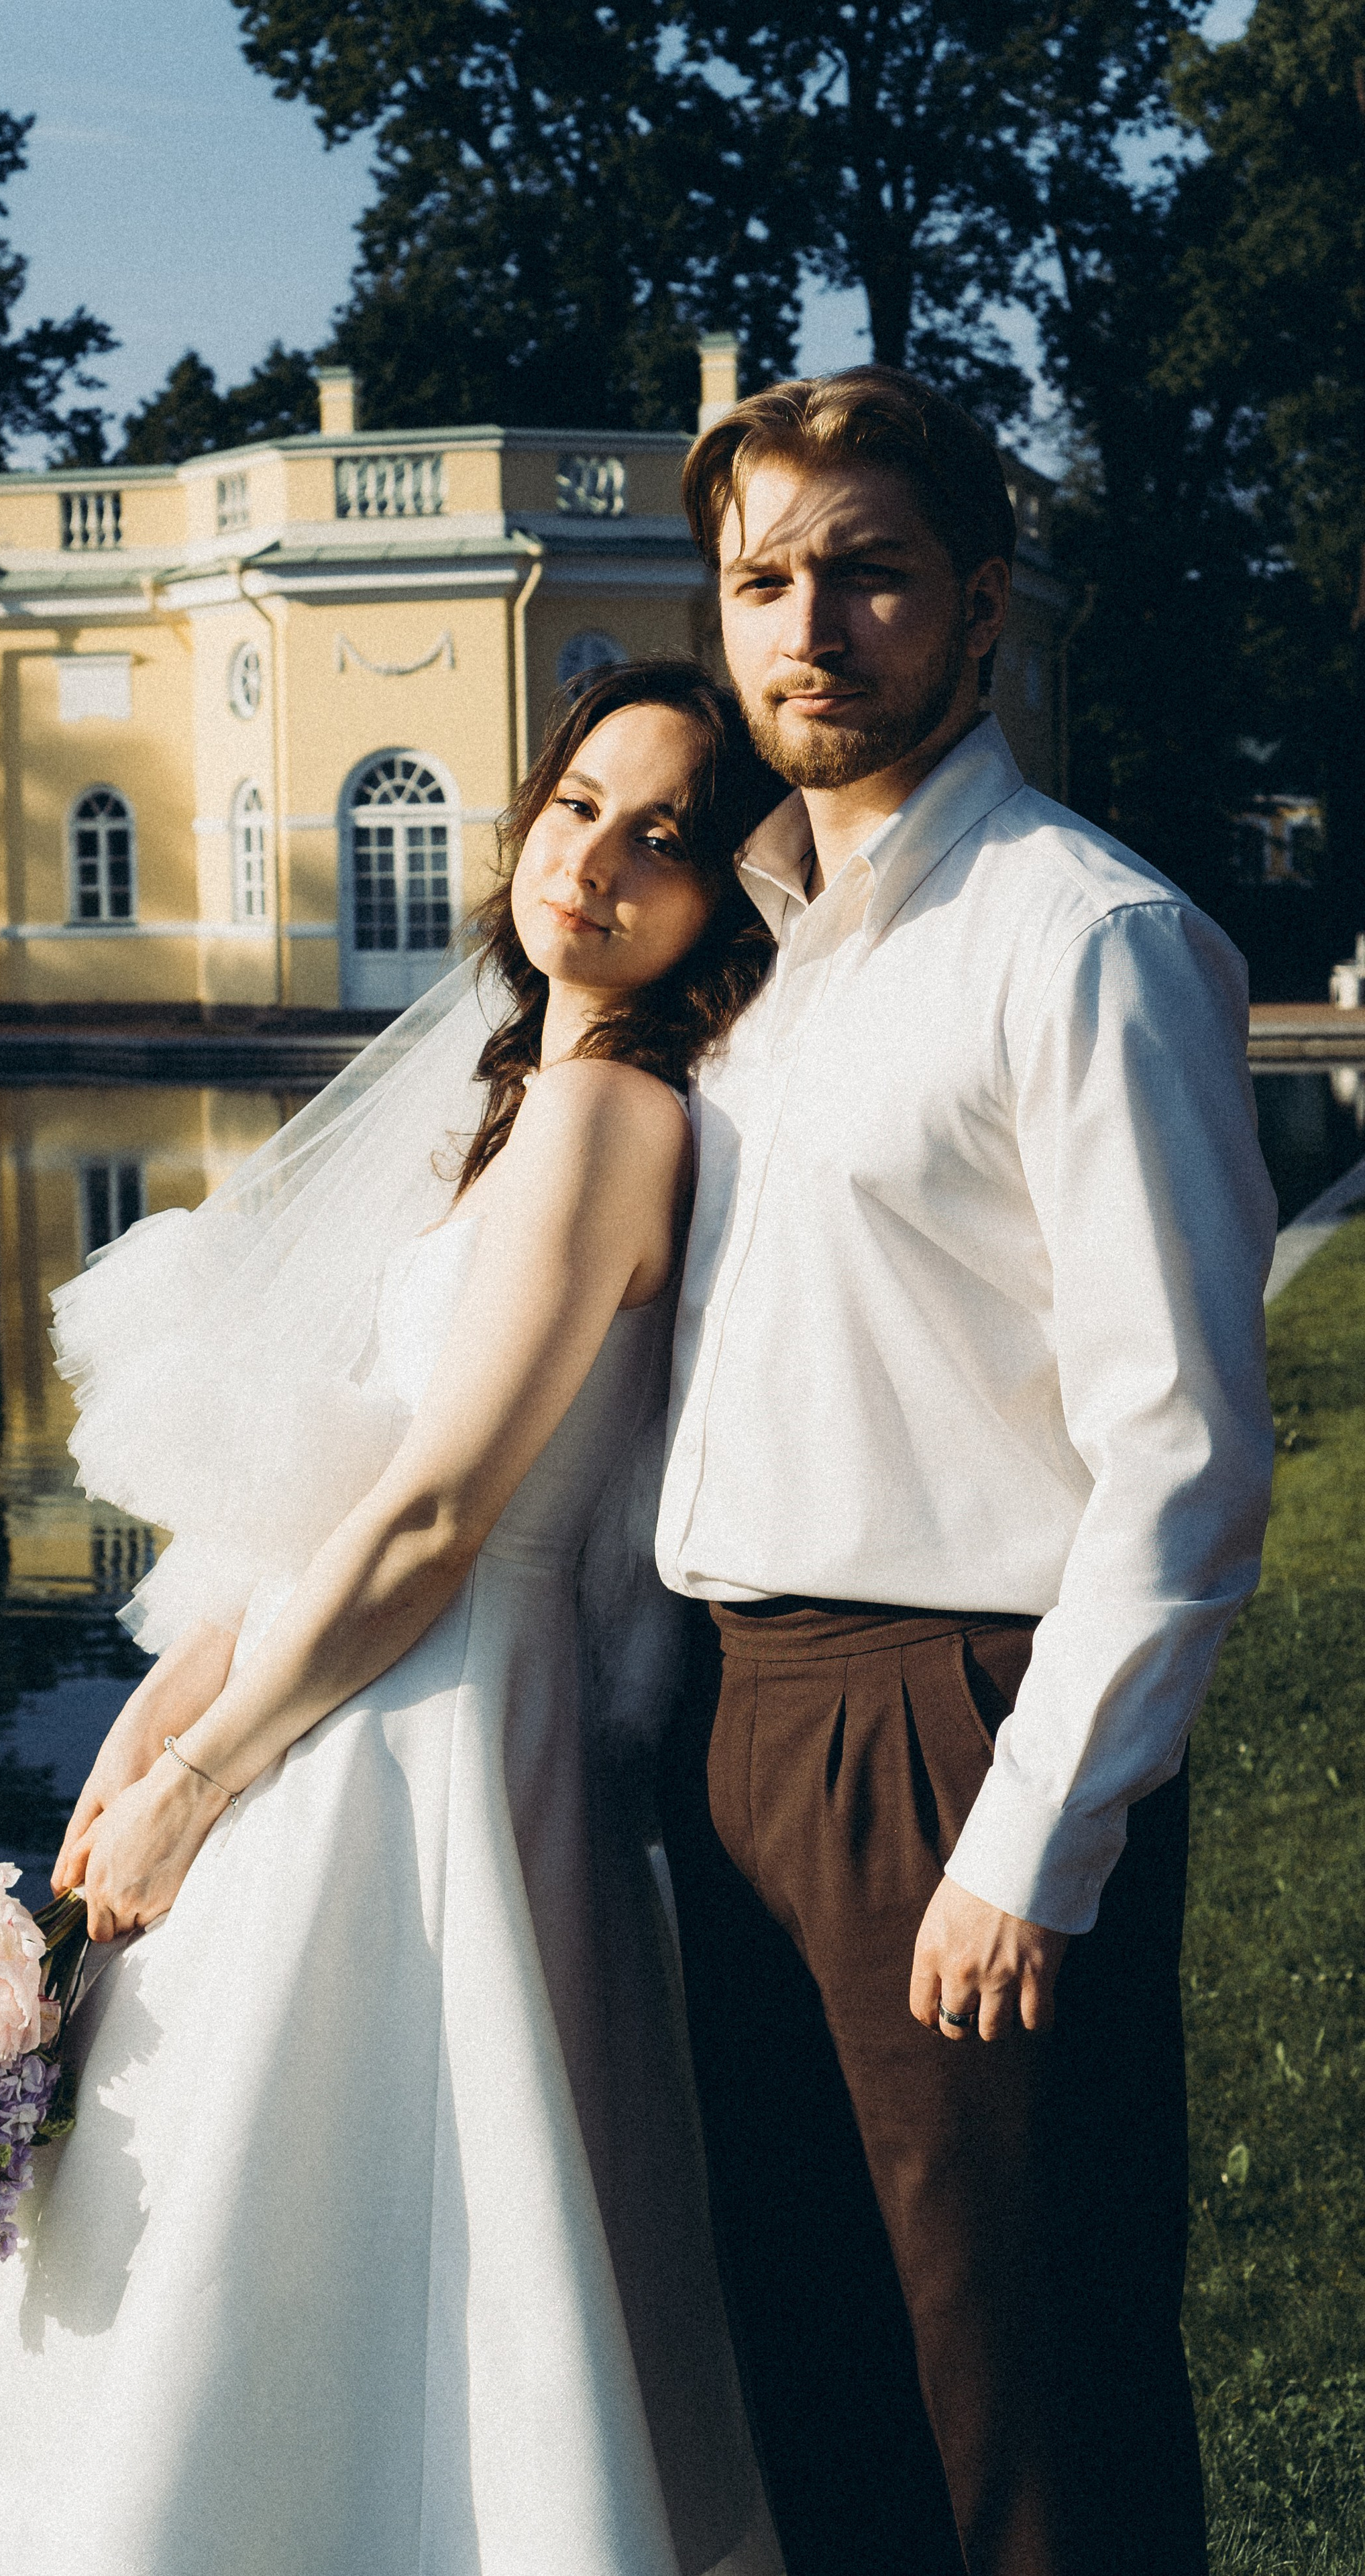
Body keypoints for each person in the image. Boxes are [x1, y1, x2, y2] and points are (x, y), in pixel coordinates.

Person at [0, 660, 789, 2576]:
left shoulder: (617, 1116)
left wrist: (206, 1771)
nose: (601, 863)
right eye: (577, 807)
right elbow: (344, 1487)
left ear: (723, 897)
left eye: (667, 837)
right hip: (355, 1679)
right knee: (242, 2223)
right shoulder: (524, 1099)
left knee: (387, 2240)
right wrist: (157, 1726)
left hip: (439, 1723)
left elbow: (448, 1514)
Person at [654, 365, 1277, 2576]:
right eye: (763, 581)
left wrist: (1031, 1834)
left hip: (954, 1724)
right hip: (738, 1723)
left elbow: (1187, 1449)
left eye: (869, 575)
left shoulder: (1081, 941)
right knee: (814, 2365)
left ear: (981, 604)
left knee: (1024, 2390)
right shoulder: (760, 954)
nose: (810, 626)